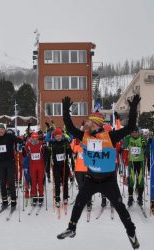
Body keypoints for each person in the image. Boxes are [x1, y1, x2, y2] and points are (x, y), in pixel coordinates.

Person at [57, 95, 140, 250]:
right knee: (79, 202)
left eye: (89, 121)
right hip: (91, 179)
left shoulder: (110, 136)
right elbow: (69, 127)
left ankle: (131, 233)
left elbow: (130, 128)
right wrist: (65, 110)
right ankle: (72, 228)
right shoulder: (84, 136)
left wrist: (133, 108)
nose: (86, 123)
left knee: (120, 208)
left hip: (108, 181)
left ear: (96, 124)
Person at [0, 123, 23, 210]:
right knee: (2, 183)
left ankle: (13, 201)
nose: (1, 130)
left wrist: (21, 142)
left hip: (10, 162)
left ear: (5, 130)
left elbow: (18, 140)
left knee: (11, 182)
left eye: (2, 129)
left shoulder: (10, 136)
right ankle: (4, 201)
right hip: (1, 163)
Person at [46, 128, 73, 208]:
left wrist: (69, 151)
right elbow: (48, 153)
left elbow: (70, 152)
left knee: (65, 182)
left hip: (64, 164)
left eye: (60, 136)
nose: (58, 137)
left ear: (62, 135)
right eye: (57, 136)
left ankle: (65, 197)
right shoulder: (52, 142)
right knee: (57, 183)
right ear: (54, 136)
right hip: (56, 166)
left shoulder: (65, 142)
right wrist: (47, 151)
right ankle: (57, 199)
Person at [123, 129, 147, 207]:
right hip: (132, 162)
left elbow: (145, 146)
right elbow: (124, 146)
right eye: (133, 132)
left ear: (138, 132)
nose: (134, 133)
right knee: (131, 180)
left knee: (140, 180)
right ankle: (130, 198)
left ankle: (140, 197)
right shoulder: (129, 138)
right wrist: (126, 138)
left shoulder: (142, 138)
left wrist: (145, 142)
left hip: (140, 162)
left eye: (136, 132)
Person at [26, 132, 46, 206]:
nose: (34, 139)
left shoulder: (41, 143)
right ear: (31, 138)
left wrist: (46, 148)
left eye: (36, 138)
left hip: (40, 165)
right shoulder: (28, 144)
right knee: (33, 181)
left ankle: (41, 195)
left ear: (38, 138)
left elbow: (44, 152)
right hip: (32, 165)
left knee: (40, 181)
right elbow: (26, 153)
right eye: (33, 138)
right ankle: (34, 195)